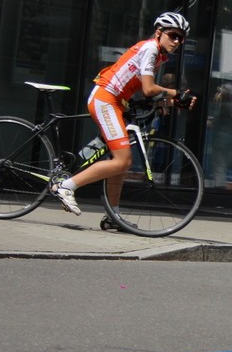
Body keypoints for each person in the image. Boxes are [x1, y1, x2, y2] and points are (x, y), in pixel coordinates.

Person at [49, 12, 198, 222]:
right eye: (173, 35)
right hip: (105, 99)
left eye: (181, 38)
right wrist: (176, 92)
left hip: (116, 102)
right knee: (123, 160)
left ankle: (113, 216)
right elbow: (148, 89)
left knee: (120, 162)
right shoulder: (150, 49)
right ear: (159, 33)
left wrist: (173, 102)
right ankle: (65, 186)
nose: (177, 41)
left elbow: (144, 93)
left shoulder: (156, 54)